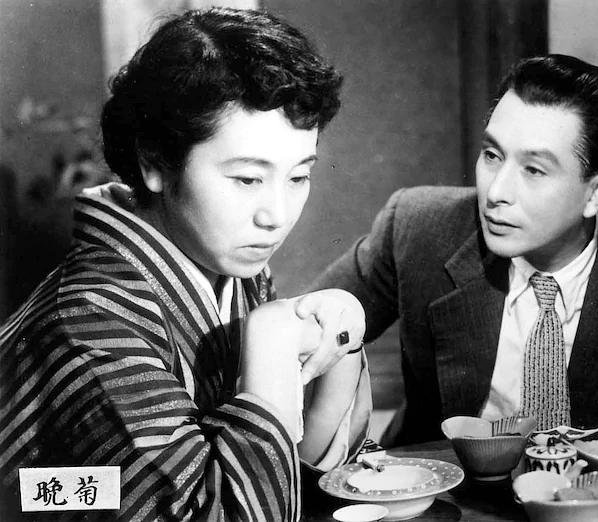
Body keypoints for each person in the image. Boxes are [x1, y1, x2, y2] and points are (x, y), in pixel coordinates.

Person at [0, 8, 371, 521]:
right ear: (154, 162)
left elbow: (288, 474)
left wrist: (339, 336)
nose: (276, 215)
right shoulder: (89, 320)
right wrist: (269, 348)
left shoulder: (225, 261)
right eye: (247, 179)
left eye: (298, 177)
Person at [311, 54, 598, 448]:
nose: (496, 192)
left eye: (534, 170)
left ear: (597, 193)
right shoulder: (417, 229)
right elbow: (303, 333)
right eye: (492, 155)